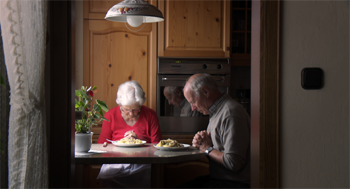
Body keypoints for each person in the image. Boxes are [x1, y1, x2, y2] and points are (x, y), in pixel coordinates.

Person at [176, 73, 251, 189]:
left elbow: (234, 163)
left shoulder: (231, 113)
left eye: (192, 102)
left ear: (205, 91)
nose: (193, 108)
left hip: (235, 183)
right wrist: (201, 142)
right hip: (220, 178)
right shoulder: (216, 111)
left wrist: (207, 148)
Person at [97, 80, 162, 189]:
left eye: (136, 110)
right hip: (116, 161)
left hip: (143, 162)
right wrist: (123, 143)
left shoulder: (150, 115)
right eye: (126, 109)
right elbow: (101, 145)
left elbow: (158, 145)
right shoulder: (110, 115)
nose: (131, 113)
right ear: (120, 104)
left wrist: (138, 142)